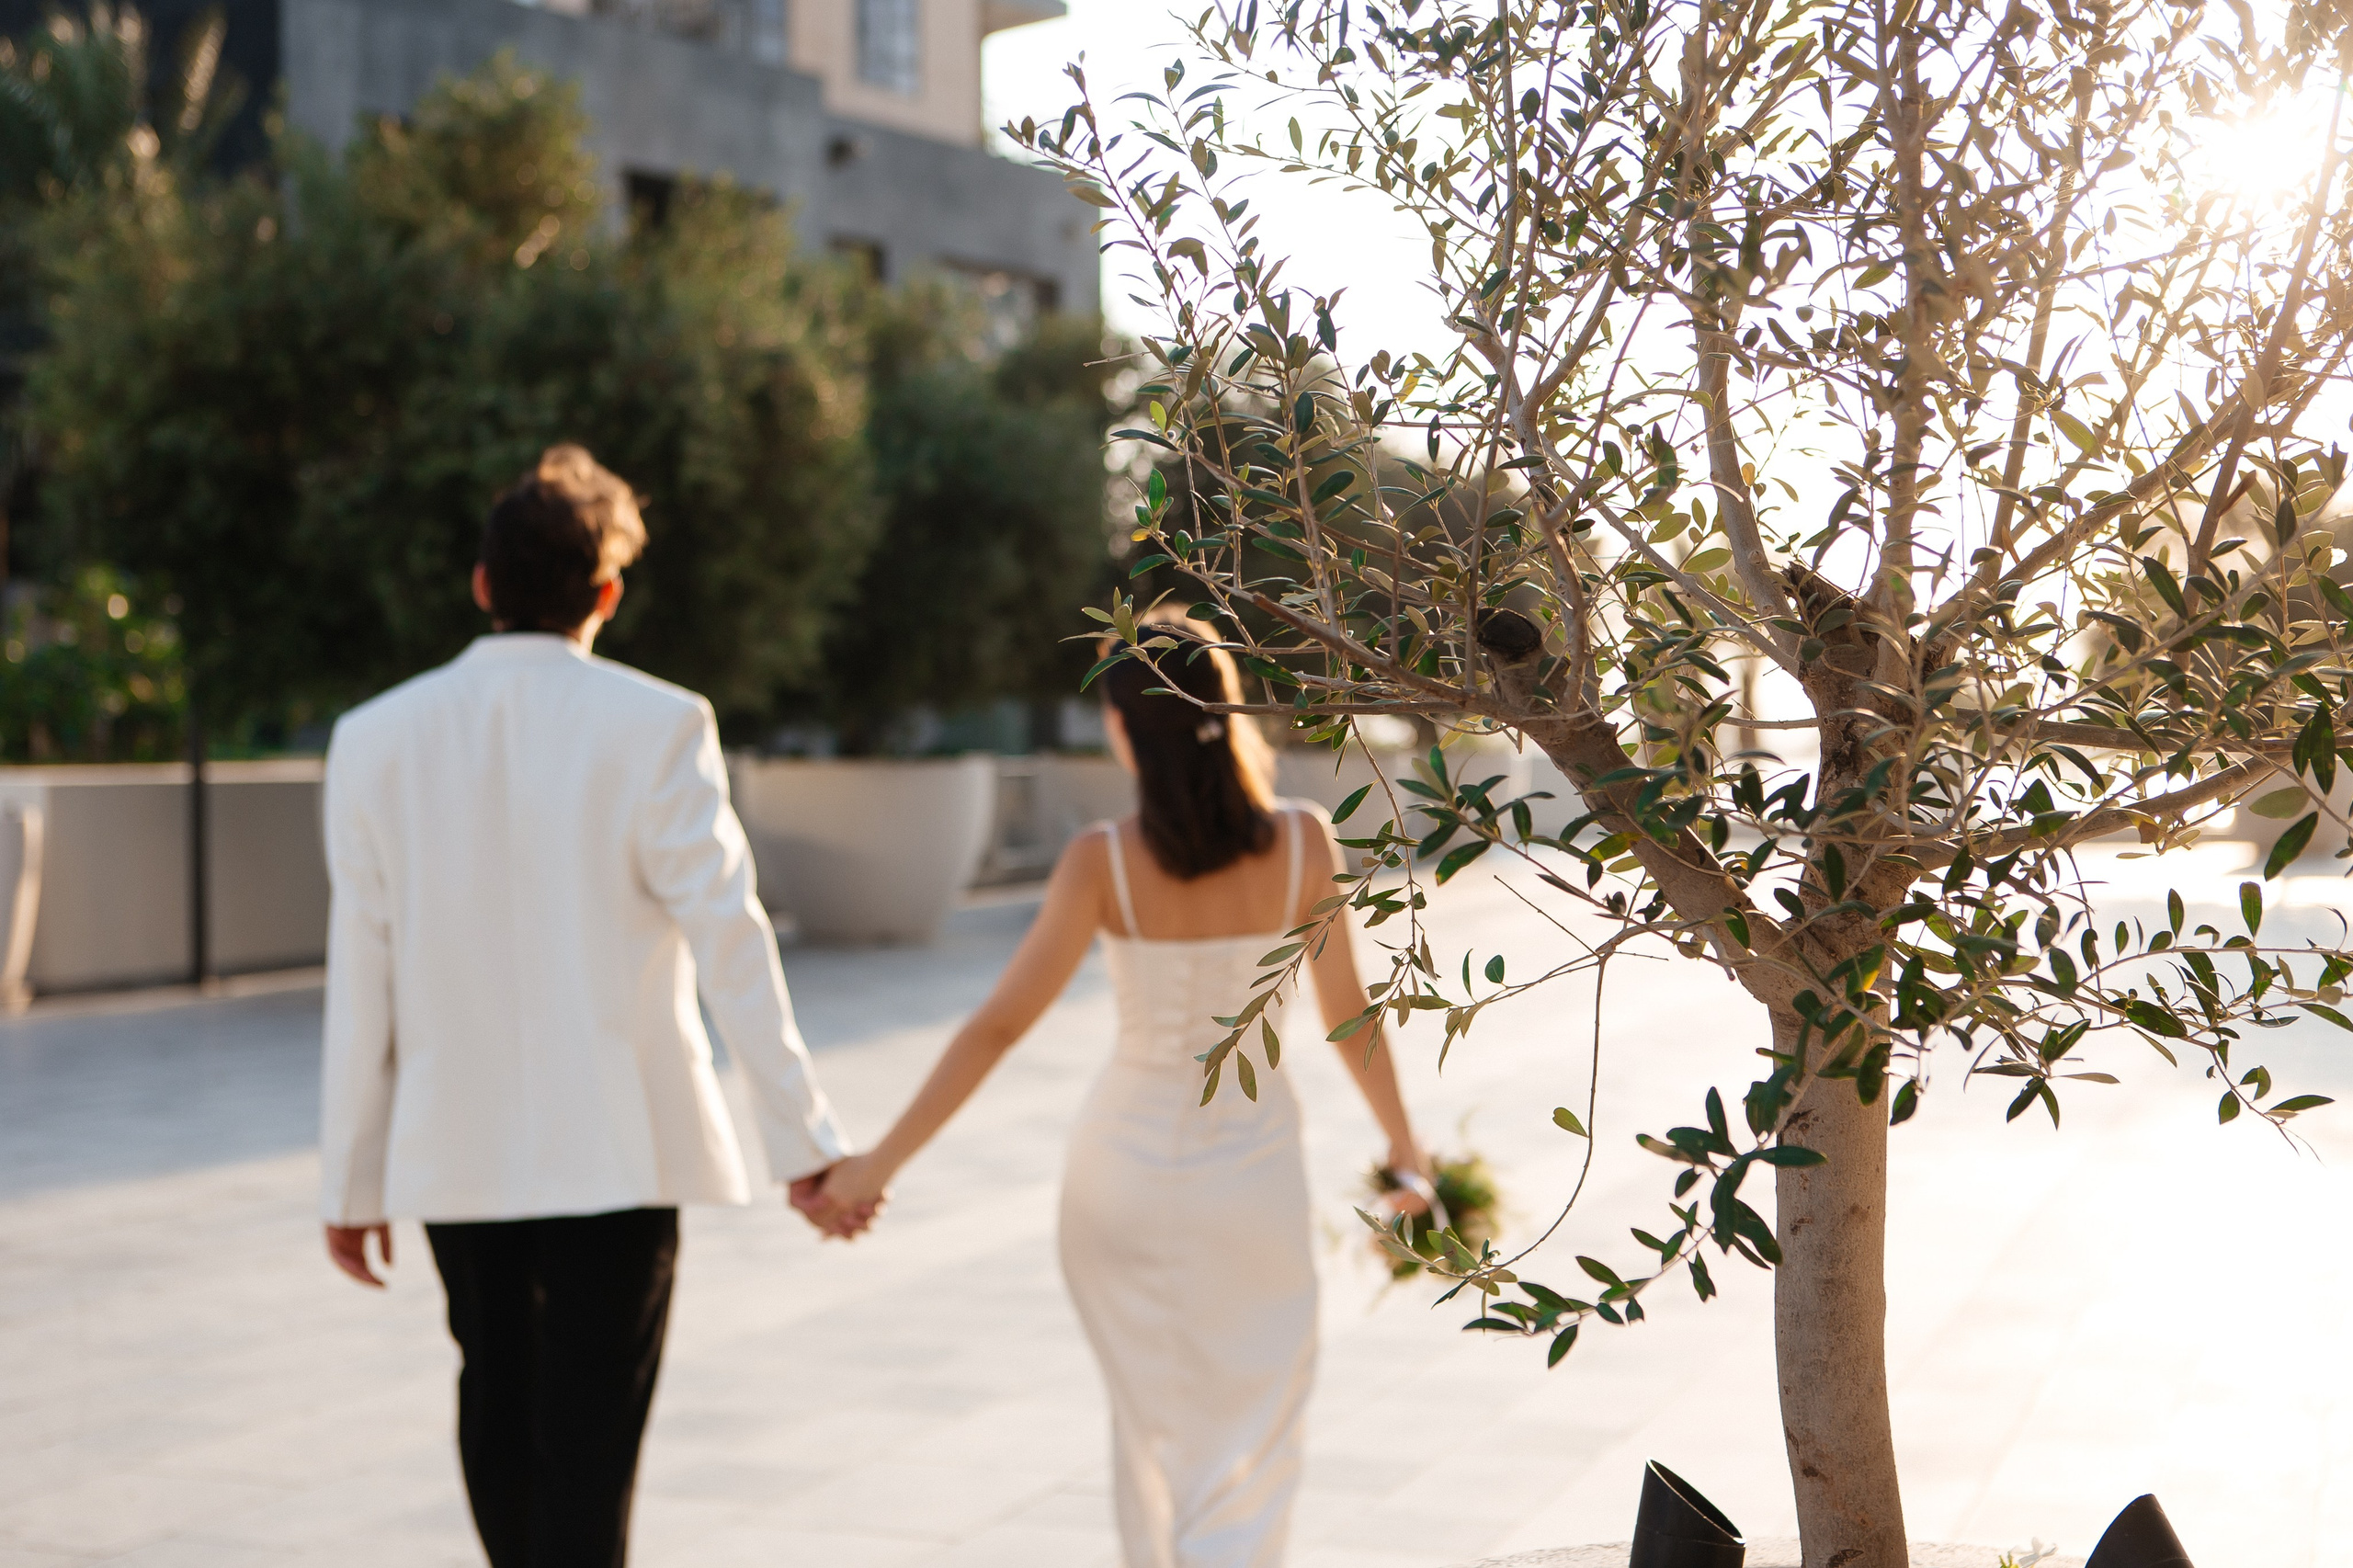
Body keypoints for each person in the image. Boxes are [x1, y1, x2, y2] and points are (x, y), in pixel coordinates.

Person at [315, 444, 861, 1568]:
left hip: (454, 1149)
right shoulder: (659, 724)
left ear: (480, 583)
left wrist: (349, 1177)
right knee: (591, 1440)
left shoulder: (373, 738)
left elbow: (358, 973)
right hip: (618, 1147)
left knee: (494, 1397)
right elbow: (731, 936)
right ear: (606, 593)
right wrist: (804, 1137)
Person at [811, 613, 1430, 1568]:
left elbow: (995, 1027)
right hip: (1253, 1178)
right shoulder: (1306, 843)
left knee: (1149, 1427)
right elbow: (1352, 1023)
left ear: (1122, 729)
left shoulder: (1100, 861)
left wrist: (869, 1168)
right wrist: (1406, 1149)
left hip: (1121, 1179)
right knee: (1260, 1419)